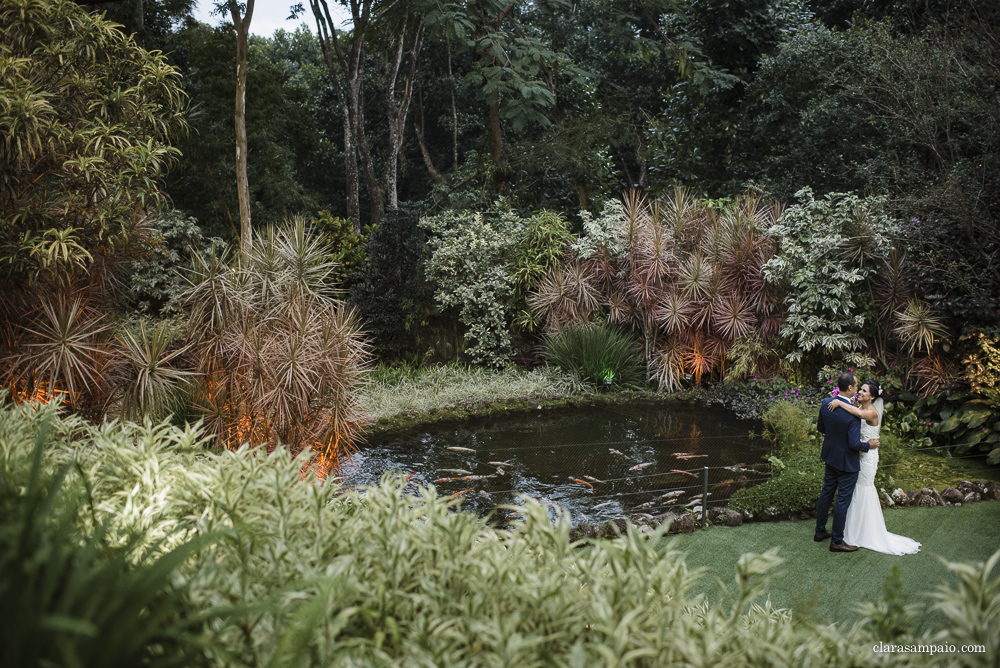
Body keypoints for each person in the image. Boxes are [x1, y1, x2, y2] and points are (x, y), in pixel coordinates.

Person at [828, 379, 921, 554]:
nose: (860, 392)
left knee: (863, 489)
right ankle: (853, 530)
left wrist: (839, 401)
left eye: (864, 391)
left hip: (868, 457)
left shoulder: (871, 412)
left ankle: (864, 533)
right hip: (858, 454)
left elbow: (856, 413)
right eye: (860, 389)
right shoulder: (861, 407)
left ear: (871, 396)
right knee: (856, 490)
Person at [814, 372, 879, 552]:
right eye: (857, 386)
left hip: (830, 457)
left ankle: (819, 531)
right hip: (847, 464)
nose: (857, 389)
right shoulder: (853, 416)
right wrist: (868, 445)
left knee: (826, 493)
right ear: (850, 388)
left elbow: (821, 428)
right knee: (842, 501)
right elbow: (854, 443)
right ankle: (836, 541)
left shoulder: (827, 403)